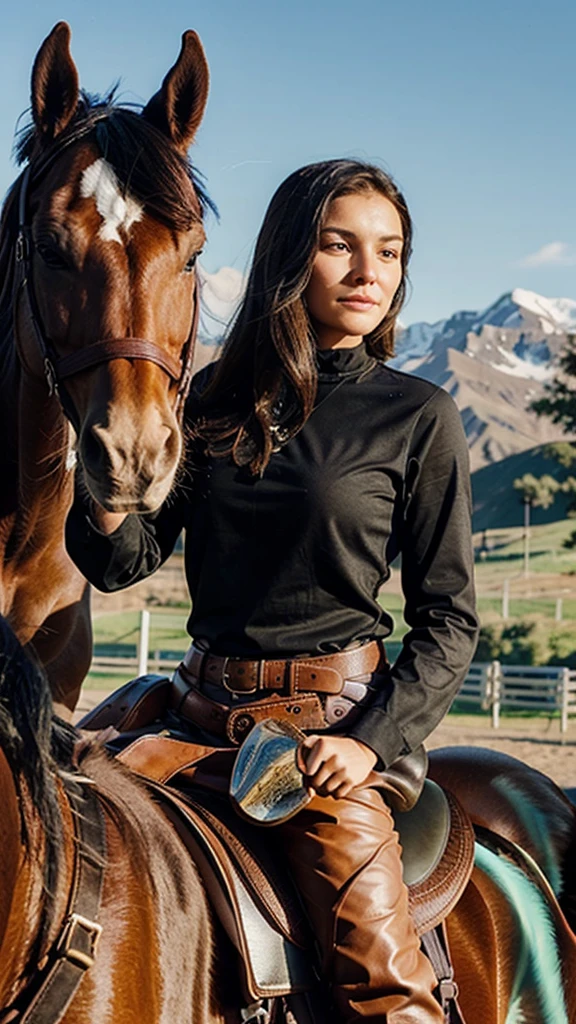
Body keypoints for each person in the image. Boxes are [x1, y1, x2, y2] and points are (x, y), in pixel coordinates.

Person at [66, 159, 479, 1022]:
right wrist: (100, 475)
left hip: (326, 737)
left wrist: (368, 744)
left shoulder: (419, 417)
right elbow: (122, 562)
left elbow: (449, 622)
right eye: (341, 246)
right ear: (291, 257)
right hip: (189, 712)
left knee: (386, 993)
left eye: (391, 252)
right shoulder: (213, 398)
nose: (371, 273)